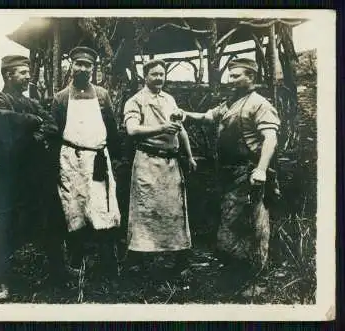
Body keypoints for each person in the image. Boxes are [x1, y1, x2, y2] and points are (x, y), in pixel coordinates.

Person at [184, 58, 280, 279]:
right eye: (231, 75)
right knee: (230, 219)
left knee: (253, 222)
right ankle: (234, 272)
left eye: (236, 76)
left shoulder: (259, 104)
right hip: (228, 173)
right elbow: (208, 117)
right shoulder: (232, 102)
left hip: (248, 173)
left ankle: (256, 276)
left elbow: (270, 139)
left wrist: (261, 170)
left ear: (251, 77)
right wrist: (184, 114)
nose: (231, 80)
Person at [0, 55, 66, 302]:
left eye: (27, 72)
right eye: (22, 72)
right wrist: (33, 122)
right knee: (8, 227)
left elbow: (52, 126)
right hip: (12, 178)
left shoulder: (32, 102)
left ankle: (58, 271)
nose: (28, 76)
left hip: (38, 174)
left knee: (51, 220)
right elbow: (2, 119)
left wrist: (35, 133)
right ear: (8, 75)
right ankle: (0, 280)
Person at [51, 46, 122, 279]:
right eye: (78, 63)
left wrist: (117, 155)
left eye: (87, 64)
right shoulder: (60, 98)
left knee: (102, 205)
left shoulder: (102, 95)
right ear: (71, 66)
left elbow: (111, 126)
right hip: (71, 159)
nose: (82, 68)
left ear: (93, 68)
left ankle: (108, 261)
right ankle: (77, 257)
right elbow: (55, 131)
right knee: (74, 205)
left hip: (98, 158)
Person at [123, 59, 197, 281]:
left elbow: (180, 129)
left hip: (171, 163)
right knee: (145, 211)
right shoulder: (135, 101)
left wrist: (190, 156)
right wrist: (161, 128)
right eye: (154, 74)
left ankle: (180, 258)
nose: (159, 78)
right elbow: (132, 130)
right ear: (145, 76)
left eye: (162, 74)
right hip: (147, 161)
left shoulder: (169, 99)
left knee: (174, 211)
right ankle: (138, 261)